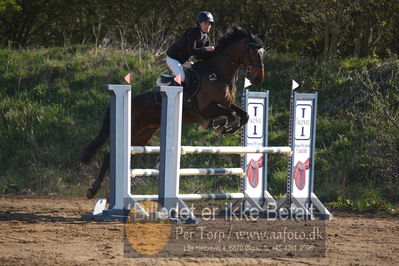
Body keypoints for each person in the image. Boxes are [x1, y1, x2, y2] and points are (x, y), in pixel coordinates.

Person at [166, 11, 215, 85]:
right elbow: (191, 51)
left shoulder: (206, 38)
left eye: (209, 24)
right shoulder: (192, 32)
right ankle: (168, 82)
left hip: (183, 60)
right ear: (199, 24)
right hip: (173, 58)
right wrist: (205, 49)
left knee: (197, 71)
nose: (208, 26)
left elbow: (201, 55)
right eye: (205, 23)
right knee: (182, 77)